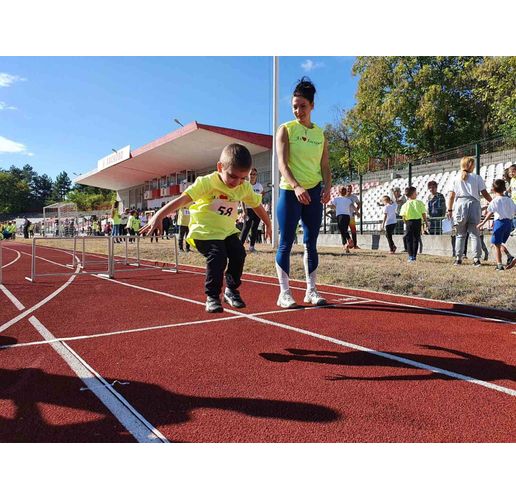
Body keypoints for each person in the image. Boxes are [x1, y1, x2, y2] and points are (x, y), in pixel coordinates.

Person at [140, 143, 272, 313]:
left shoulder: (243, 187)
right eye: (232, 176)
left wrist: (268, 223)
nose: (237, 183)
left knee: (239, 253)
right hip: (204, 232)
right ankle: (212, 296)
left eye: (243, 178)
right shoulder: (207, 183)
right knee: (218, 256)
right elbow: (183, 200)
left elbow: (258, 205)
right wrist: (159, 215)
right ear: (220, 167)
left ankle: (231, 290)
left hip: (227, 231)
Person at [275, 77, 332, 308]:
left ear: (312, 106)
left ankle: (311, 290)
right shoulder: (286, 130)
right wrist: (297, 186)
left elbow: (325, 166)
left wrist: (327, 187)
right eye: (295, 106)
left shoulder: (320, 134)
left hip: (314, 192)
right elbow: (282, 163)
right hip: (290, 192)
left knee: (311, 243)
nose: (298, 110)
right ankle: (285, 293)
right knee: (286, 243)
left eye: (303, 106)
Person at [447, 156, 492, 266]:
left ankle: (458, 258)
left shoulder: (455, 178)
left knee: (460, 234)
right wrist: (492, 201)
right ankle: (476, 259)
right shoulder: (477, 177)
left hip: (460, 205)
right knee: (474, 234)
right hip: (474, 204)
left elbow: (451, 196)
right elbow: (484, 193)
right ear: (471, 165)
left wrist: (449, 209)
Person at [477, 179, 516, 271]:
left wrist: (483, 222)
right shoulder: (510, 200)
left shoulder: (495, 201)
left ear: (493, 190)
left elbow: (490, 213)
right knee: (497, 243)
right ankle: (509, 256)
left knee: (496, 244)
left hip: (499, 223)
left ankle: (499, 265)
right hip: (508, 224)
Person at [400, 187, 428, 263]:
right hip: (418, 222)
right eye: (415, 193)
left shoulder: (405, 205)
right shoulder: (419, 202)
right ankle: (414, 256)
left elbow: (403, 216)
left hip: (409, 222)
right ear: (412, 194)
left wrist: (406, 222)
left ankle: (410, 256)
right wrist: (426, 221)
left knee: (409, 239)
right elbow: (423, 213)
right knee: (416, 239)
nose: (416, 194)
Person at [240, 167, 264, 253]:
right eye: (251, 174)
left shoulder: (259, 186)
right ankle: (240, 246)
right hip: (248, 210)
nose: (252, 176)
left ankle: (252, 247)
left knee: (255, 229)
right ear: (248, 175)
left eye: (254, 174)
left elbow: (261, 197)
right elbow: (242, 199)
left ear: (256, 176)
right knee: (246, 228)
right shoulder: (245, 185)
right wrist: (244, 210)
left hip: (257, 210)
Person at [330, 186, 355, 253]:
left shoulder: (336, 199)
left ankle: (348, 240)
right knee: (344, 230)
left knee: (342, 230)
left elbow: (331, 205)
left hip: (340, 216)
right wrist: (358, 213)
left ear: (339, 192)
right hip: (347, 216)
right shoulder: (348, 200)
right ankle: (345, 245)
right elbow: (352, 206)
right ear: (346, 192)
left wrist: (334, 207)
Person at [346, 184, 361, 248]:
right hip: (344, 216)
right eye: (348, 188)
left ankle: (355, 245)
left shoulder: (354, 197)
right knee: (344, 230)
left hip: (351, 216)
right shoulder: (343, 197)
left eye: (350, 188)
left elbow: (359, 204)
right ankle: (346, 244)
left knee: (353, 230)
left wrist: (356, 211)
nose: (349, 190)